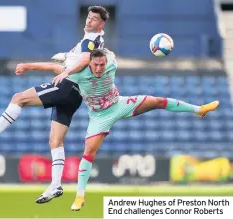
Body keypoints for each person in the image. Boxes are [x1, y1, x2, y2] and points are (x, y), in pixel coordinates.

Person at [0, 6, 110, 204]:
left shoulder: (90, 42)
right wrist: (29, 66)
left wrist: (67, 72)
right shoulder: (87, 44)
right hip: (75, 95)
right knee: (55, 141)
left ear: (102, 24)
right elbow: (60, 66)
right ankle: (55, 185)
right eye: (88, 17)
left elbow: (83, 61)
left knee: (19, 98)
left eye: (94, 19)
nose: (89, 21)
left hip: (67, 87)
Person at [52, 48, 220, 211]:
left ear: (106, 63)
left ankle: (199, 110)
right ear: (89, 63)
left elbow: (108, 54)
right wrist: (58, 68)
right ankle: (80, 196)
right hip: (99, 116)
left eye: (102, 64)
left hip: (119, 104)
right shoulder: (78, 74)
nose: (99, 68)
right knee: (88, 152)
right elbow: (57, 68)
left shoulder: (112, 63)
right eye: (95, 65)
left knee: (157, 101)